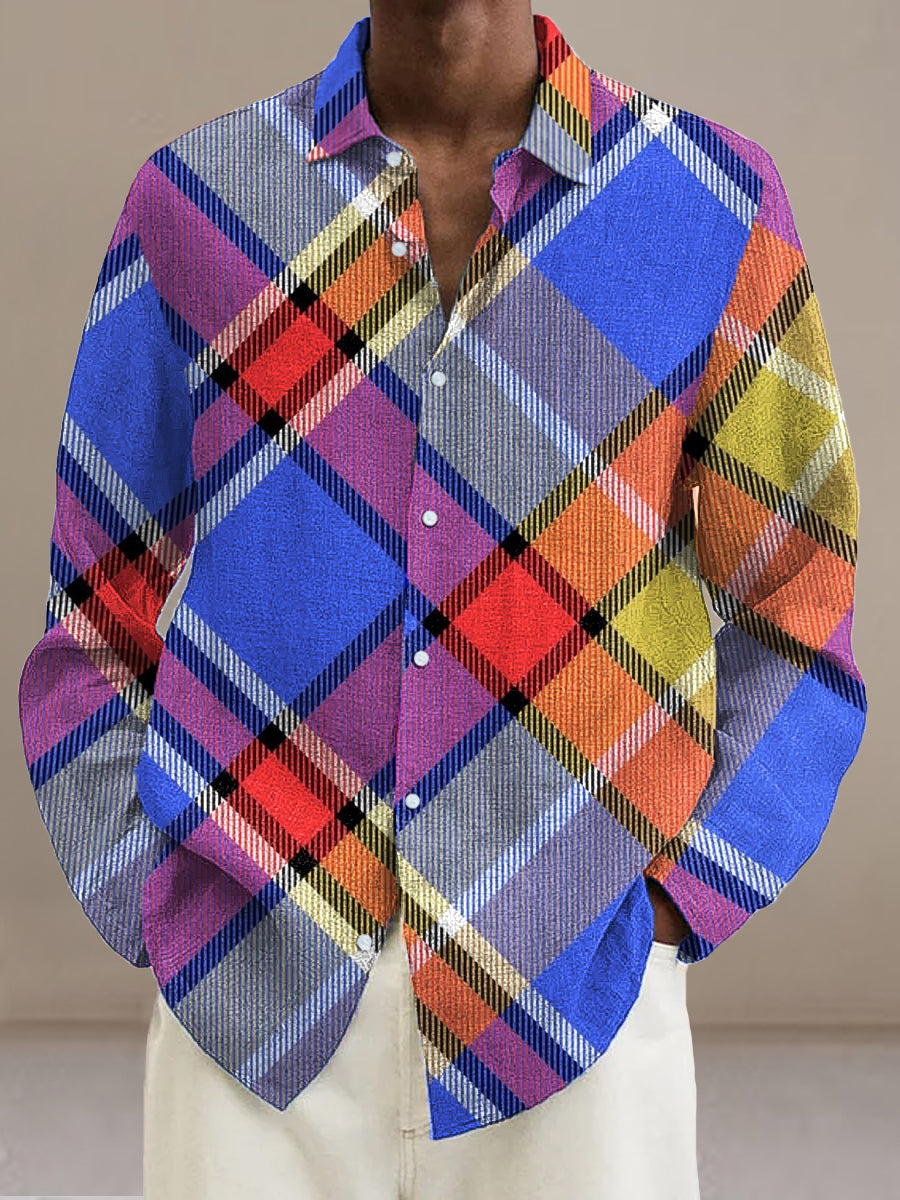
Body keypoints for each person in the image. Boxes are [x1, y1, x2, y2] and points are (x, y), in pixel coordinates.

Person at [17, 2, 866, 1198]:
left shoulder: (713, 204)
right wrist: (153, 900)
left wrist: (675, 904)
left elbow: (801, 603)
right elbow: (92, 617)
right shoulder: (196, 202)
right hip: (250, 1000)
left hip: (575, 1005)